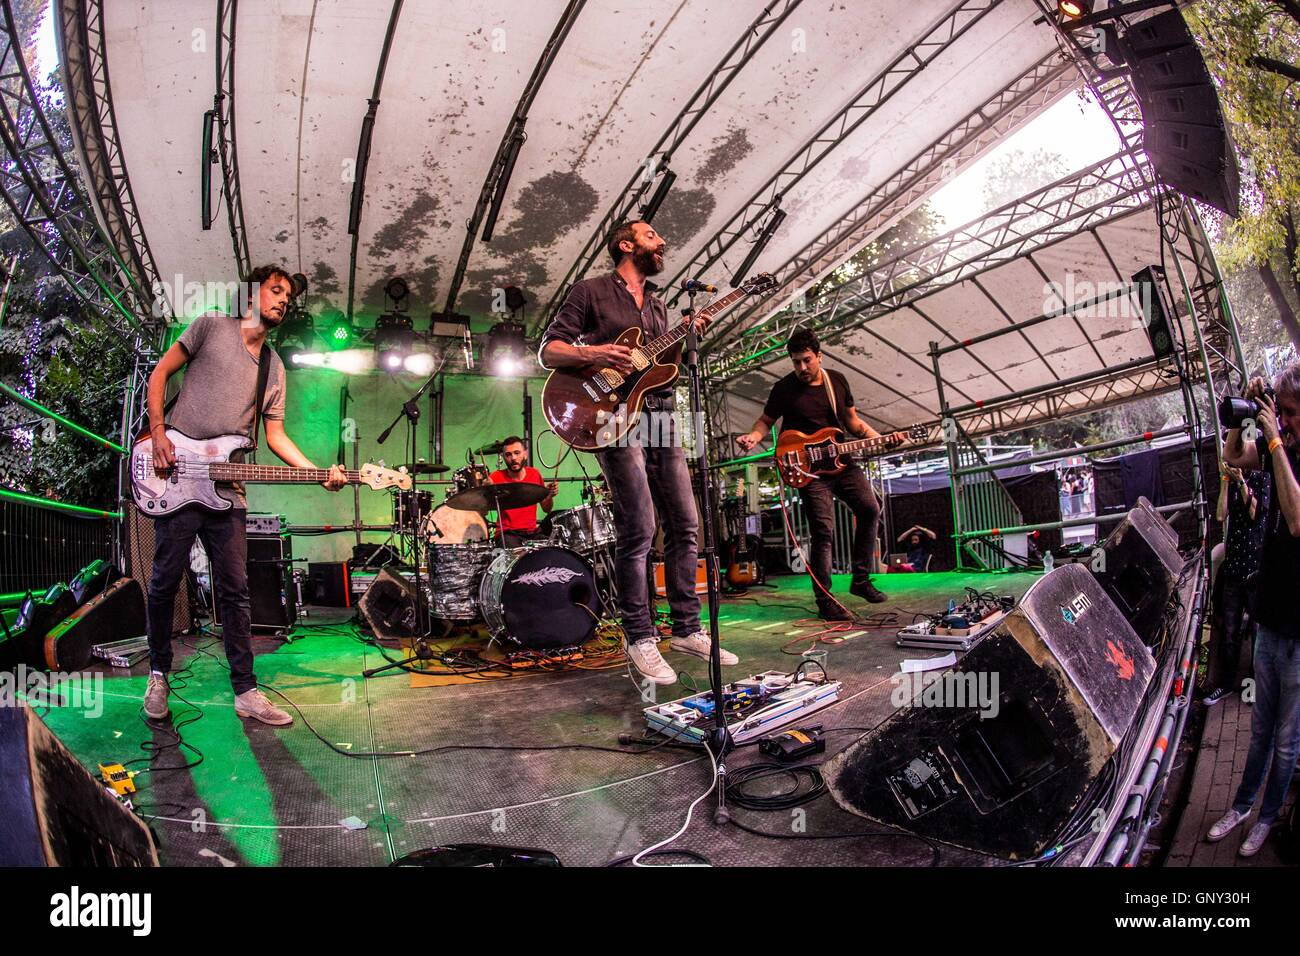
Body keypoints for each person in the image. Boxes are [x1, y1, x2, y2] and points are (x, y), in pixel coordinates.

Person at [143, 265, 347, 726]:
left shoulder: (274, 367)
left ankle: (246, 691)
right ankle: (158, 674)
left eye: (288, 297)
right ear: (252, 294)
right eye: (275, 290)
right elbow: (159, 375)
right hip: (178, 473)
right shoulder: (210, 327)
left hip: (227, 491)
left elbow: (275, 437)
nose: (283, 300)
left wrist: (318, 474)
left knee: (235, 592)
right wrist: (159, 434)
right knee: (163, 583)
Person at [540, 220, 739, 685]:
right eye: (651, 237)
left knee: (687, 524)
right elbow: (549, 352)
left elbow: (660, 367)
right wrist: (595, 354)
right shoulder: (590, 291)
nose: (662, 242)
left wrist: (690, 333)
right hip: (611, 418)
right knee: (641, 530)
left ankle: (688, 629)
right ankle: (640, 635)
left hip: (660, 416)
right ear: (626, 245)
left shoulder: (660, 304)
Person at [736, 328, 907, 620]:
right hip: (808, 470)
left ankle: (861, 580)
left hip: (841, 461)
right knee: (823, 532)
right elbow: (766, 421)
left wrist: (882, 437)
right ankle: (825, 601)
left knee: (870, 508)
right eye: (796, 362)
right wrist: (753, 436)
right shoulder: (784, 389)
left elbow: (852, 422)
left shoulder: (836, 381)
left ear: (819, 356)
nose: (801, 368)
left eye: (806, 360)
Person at [1206, 365, 1300, 857]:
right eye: (1279, 412)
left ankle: (1267, 818)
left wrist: (1277, 444)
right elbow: (1232, 457)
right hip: (1270, 617)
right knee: (1260, 728)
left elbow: (1296, 516)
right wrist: (1244, 417)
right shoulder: (1277, 441)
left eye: (1288, 414)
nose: (1281, 421)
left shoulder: (1287, 451)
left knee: (1288, 740)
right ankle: (1242, 805)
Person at [1202, 463, 1269, 706]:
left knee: (1257, 631)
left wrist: (1242, 482)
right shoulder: (1229, 482)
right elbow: (1221, 515)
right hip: (1234, 567)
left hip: (1256, 566)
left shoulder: (1263, 478)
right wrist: (1225, 482)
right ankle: (1226, 684)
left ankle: (1256, 684)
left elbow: (1255, 513)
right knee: (1229, 631)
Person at [489, 435, 557, 547]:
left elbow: (546, 509)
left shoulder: (534, 474)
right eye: (508, 454)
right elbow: (483, 508)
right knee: (517, 556)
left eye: (517, 453)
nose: (513, 458)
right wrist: (486, 491)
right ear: (503, 457)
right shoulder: (496, 477)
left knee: (551, 548)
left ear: (525, 454)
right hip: (507, 534)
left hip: (532, 533)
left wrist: (549, 495)